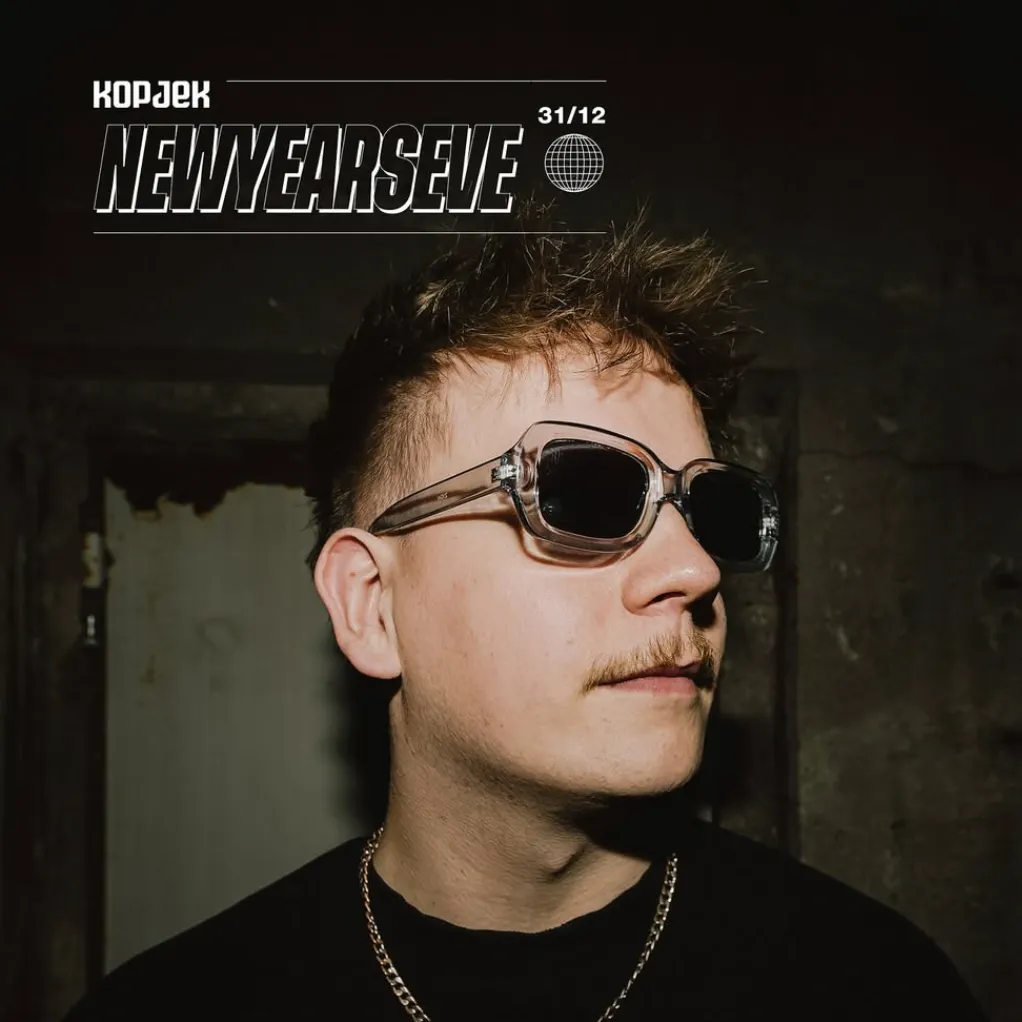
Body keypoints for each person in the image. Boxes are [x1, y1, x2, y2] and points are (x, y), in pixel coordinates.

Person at [64, 205, 988, 1020]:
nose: (696, 569)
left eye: (710, 510)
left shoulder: (875, 989)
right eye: (582, 496)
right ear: (373, 606)